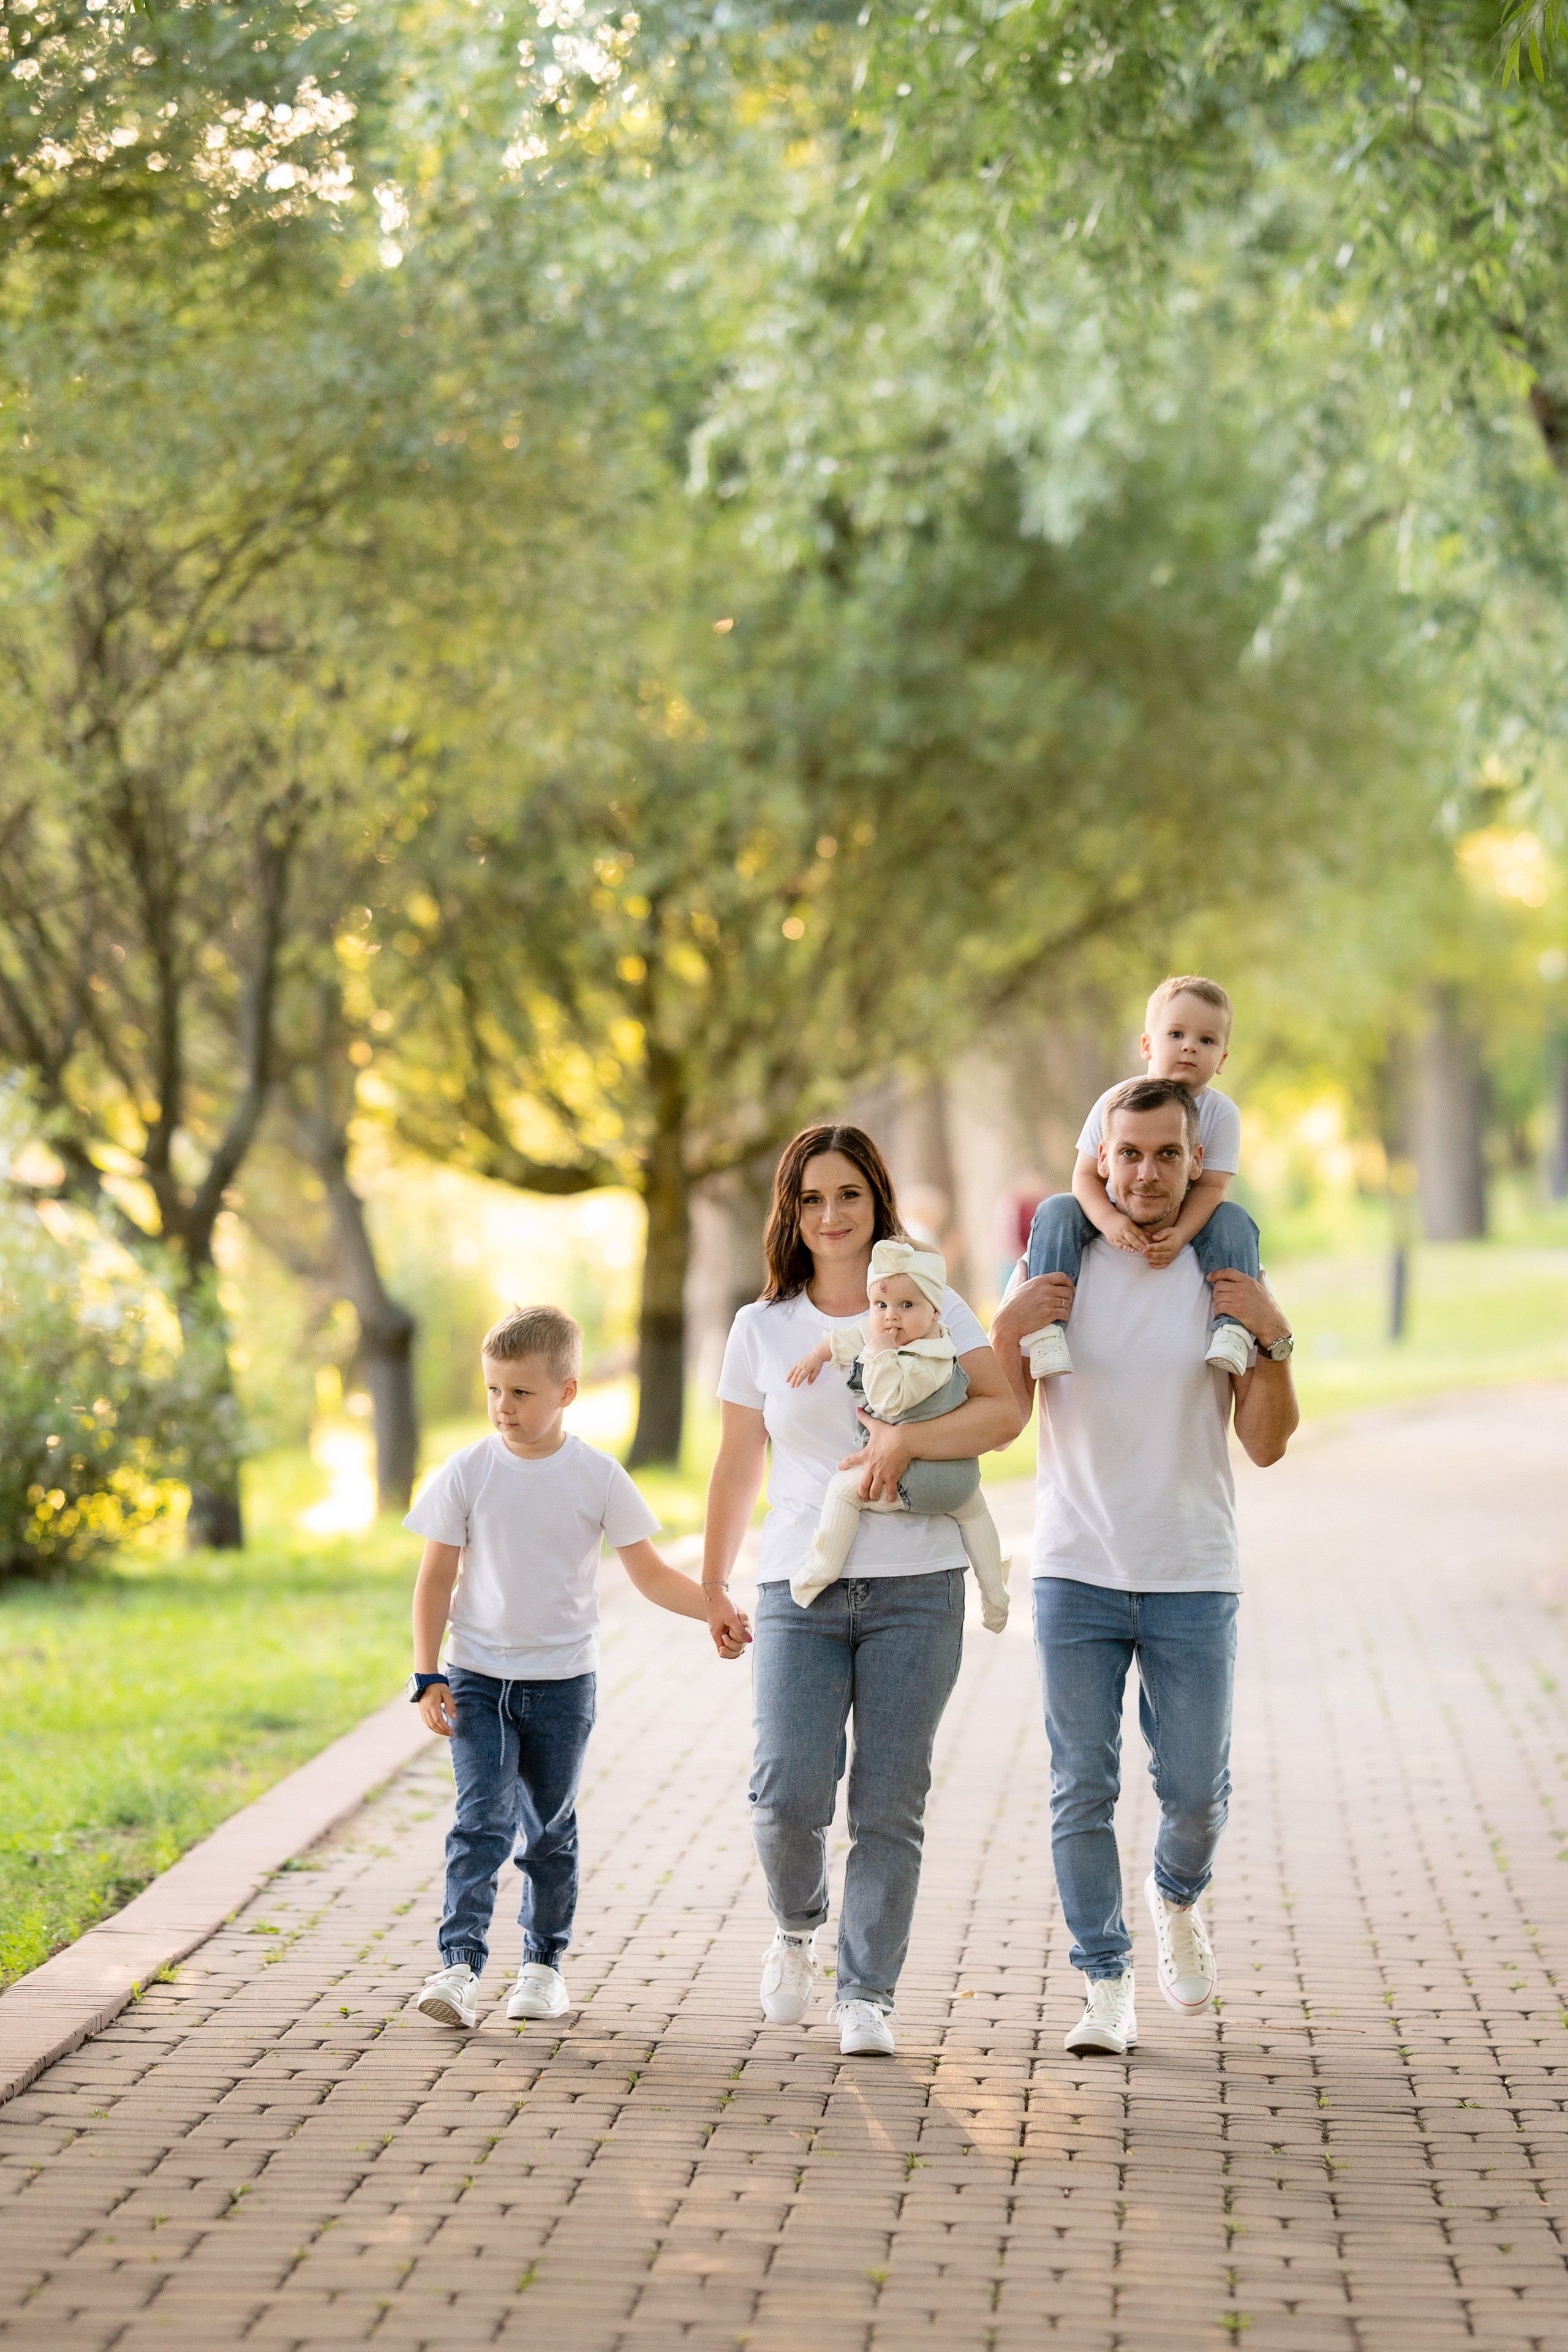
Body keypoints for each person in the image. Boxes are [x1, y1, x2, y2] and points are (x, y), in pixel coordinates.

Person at [992, 1077, 1298, 2059]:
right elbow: (1002, 1424)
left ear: (1194, 1160)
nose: (1147, 1172)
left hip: (1194, 1570)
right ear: (1102, 1157)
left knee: (1196, 1789)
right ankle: (1105, 1981)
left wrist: (1275, 1343)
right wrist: (1007, 1329)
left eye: (1168, 1155)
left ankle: (1177, 1898)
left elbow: (1267, 1445)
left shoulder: (1220, 1270)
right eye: (1129, 1154)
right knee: (1081, 1786)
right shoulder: (1059, 1263)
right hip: (1076, 1567)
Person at [703, 1126, 1022, 2058]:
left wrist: (907, 1442)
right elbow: (734, 1464)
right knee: (786, 1791)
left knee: (889, 1800)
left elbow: (1002, 1413)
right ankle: (797, 1927)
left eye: (849, 1196)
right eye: (812, 1200)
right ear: (790, 1214)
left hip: (918, 1586)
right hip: (799, 1588)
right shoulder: (760, 1328)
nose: (831, 1216)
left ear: (877, 1202)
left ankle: (868, 1992)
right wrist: (713, 1583)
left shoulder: (934, 1303)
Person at [404, 1304, 750, 2032]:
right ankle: (460, 1966)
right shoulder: (466, 1471)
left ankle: (541, 1969)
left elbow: (652, 1575)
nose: (504, 1407)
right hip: (477, 1678)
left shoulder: (596, 1476)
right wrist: (427, 1673)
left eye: (522, 1392)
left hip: (562, 1685)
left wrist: (712, 1609)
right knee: (481, 1824)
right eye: (494, 1390)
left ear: (566, 1392)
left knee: (549, 1830)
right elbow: (435, 1578)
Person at [1018, 976, 1263, 1381]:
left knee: (1234, 1219)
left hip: (1186, 1216)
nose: (1190, 1046)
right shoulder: (1115, 1103)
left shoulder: (1222, 1114)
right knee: (1058, 1209)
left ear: (1221, 1059)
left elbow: (1213, 1187)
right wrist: (1111, 1222)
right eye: (1177, 1034)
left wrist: (1182, 1234)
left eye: (1206, 1040)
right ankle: (1046, 1329)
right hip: (1115, 1209)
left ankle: (1232, 1328)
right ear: (1148, 1045)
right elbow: (1084, 1176)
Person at [785, 1236, 1010, 1631]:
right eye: (881, 1305)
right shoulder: (906, 1333)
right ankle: (995, 1594)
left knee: (842, 1491)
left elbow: (889, 1401)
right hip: (958, 1479)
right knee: (975, 1513)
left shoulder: (932, 1358)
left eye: (907, 1306)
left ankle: (820, 1570)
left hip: (917, 1479)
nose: (891, 1318)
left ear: (936, 1311)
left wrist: (879, 1353)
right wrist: (818, 1355)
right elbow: (855, 1335)